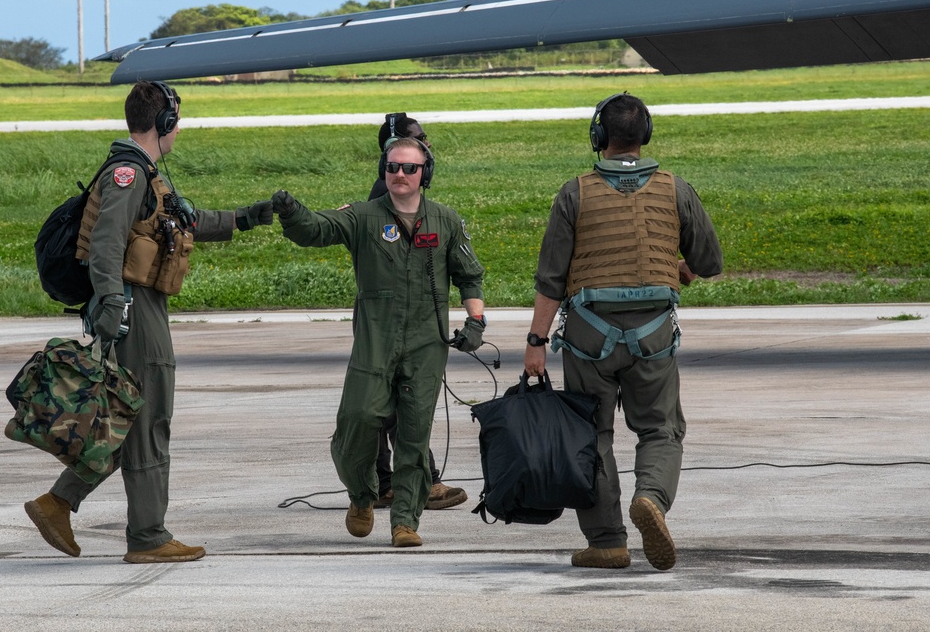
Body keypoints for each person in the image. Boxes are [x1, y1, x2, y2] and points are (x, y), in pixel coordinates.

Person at [24, 80, 274, 563]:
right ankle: (147, 535)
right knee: (148, 418)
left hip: (137, 305)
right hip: (134, 309)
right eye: (176, 120)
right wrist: (115, 306)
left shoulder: (143, 173)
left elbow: (182, 221)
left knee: (124, 418)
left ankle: (57, 502)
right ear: (164, 123)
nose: (178, 128)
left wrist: (246, 218)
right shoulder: (128, 174)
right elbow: (106, 245)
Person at [524, 93, 722, 570]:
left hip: (589, 337)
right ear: (645, 134)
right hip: (653, 335)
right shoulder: (676, 189)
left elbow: (552, 277)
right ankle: (651, 496)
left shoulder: (575, 192)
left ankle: (608, 541)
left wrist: (536, 342)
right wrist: (679, 271)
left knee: (592, 436)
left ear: (599, 136)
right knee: (660, 428)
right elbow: (709, 262)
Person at [272, 137, 485, 548]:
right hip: (375, 341)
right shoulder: (364, 217)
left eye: (409, 168)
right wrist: (291, 211)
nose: (399, 175)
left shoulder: (446, 220)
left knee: (414, 434)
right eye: (392, 167)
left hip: (426, 344)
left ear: (426, 173)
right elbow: (316, 230)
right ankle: (361, 494)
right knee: (357, 420)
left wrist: (475, 322)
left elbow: (469, 274)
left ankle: (405, 521)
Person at [367, 113, 467, 511]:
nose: (427, 145)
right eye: (419, 139)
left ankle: (384, 482)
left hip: (393, 322)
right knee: (401, 407)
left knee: (389, 405)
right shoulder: (388, 197)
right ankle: (414, 484)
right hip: (396, 324)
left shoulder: (388, 191)